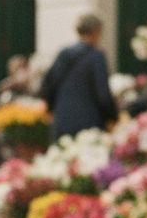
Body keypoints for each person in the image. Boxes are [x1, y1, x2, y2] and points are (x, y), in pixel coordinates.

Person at [40, 13, 118, 141]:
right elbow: (103, 94)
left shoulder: (63, 54)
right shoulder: (96, 57)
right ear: (96, 31)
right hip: (90, 123)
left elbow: (48, 85)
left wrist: (51, 109)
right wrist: (113, 117)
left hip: (63, 120)